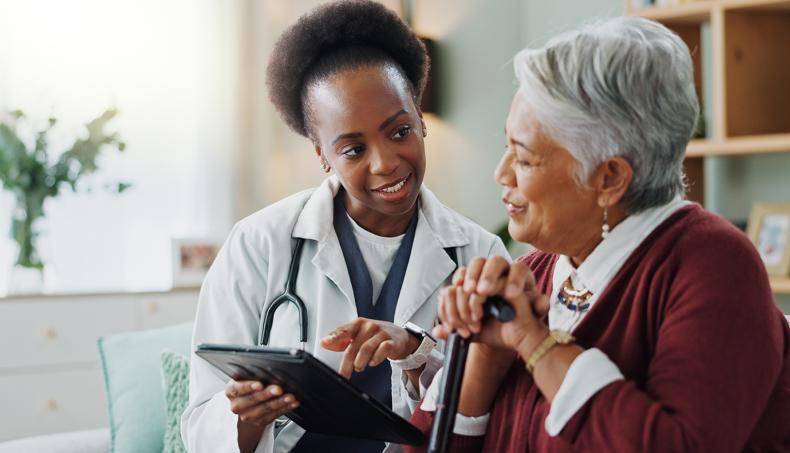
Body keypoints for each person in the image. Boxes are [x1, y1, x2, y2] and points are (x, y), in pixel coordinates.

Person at [406, 16, 790, 452]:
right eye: (506, 146)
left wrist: (532, 341)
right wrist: (488, 353)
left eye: (525, 158)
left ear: (609, 178)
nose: (501, 173)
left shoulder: (713, 266)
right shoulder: (532, 271)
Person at [180, 1, 508, 452]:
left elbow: (498, 407)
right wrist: (244, 416)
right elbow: (201, 421)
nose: (386, 164)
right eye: (353, 150)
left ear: (418, 116)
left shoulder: (480, 254)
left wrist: (417, 351)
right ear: (322, 154)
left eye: (399, 131)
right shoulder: (258, 244)